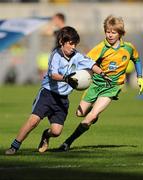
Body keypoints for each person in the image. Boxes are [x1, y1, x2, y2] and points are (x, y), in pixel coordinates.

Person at [5, 26, 111, 155]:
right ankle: (14, 147)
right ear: (62, 42)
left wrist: (102, 73)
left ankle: (46, 135)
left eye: (75, 44)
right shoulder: (55, 55)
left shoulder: (77, 56)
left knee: (56, 131)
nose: (73, 47)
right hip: (47, 94)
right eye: (70, 44)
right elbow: (53, 75)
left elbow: (91, 64)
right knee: (33, 121)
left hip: (62, 99)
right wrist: (67, 79)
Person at [58, 15, 143, 151]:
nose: (110, 35)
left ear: (121, 33)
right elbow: (85, 62)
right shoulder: (100, 48)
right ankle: (93, 113)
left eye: (113, 32)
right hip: (96, 85)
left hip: (112, 87)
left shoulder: (128, 48)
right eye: (107, 32)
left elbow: (137, 59)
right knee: (80, 113)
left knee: (91, 116)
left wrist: (140, 77)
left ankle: (68, 142)